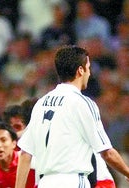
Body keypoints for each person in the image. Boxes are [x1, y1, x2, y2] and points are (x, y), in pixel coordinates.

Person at [15, 45, 129, 188]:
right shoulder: (83, 103)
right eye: (88, 67)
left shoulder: (41, 103)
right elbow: (107, 153)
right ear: (80, 70)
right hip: (72, 180)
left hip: (45, 182)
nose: (89, 73)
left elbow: (25, 153)